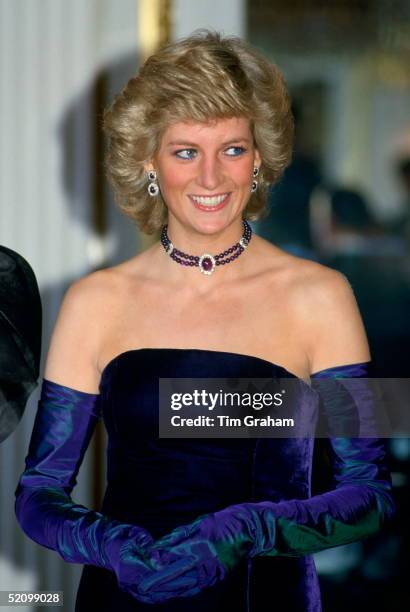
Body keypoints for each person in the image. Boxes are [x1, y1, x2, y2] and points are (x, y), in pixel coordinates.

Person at [14, 31, 395, 611]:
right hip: (127, 596)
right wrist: (115, 547)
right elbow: (39, 493)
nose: (212, 178)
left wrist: (247, 530)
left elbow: (368, 495)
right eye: (187, 151)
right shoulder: (95, 302)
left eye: (233, 150)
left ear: (260, 157)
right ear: (149, 161)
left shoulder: (323, 296)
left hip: (265, 597)